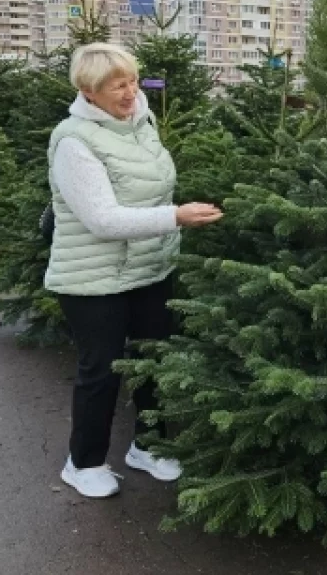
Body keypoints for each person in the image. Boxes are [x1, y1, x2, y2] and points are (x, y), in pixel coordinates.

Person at [45, 42, 223, 499]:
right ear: (88, 91)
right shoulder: (73, 140)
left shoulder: (142, 122)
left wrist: (169, 227)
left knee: (153, 360)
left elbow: (155, 186)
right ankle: (83, 462)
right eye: (116, 86)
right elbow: (102, 219)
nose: (129, 92)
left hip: (150, 267)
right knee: (101, 369)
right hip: (94, 279)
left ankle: (149, 445)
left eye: (132, 81)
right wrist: (176, 217)